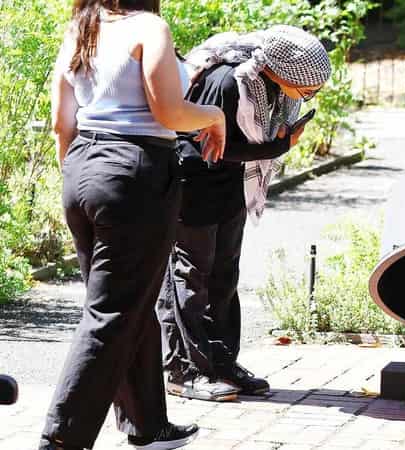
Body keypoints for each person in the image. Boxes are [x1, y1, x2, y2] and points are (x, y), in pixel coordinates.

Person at [44, 0, 226, 448]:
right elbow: (169, 111)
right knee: (110, 313)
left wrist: (82, 175)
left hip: (83, 167)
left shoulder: (80, 29)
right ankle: (61, 439)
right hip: (134, 171)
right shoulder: (149, 27)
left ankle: (147, 424)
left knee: (130, 300)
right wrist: (214, 116)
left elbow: (60, 124)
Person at [155, 26, 331, 402]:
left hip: (230, 188)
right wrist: (281, 144)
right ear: (285, 71)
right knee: (190, 277)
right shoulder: (230, 82)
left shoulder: (269, 87)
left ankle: (221, 361)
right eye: (309, 88)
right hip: (195, 188)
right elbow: (212, 147)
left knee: (224, 275)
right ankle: (185, 370)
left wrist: (277, 141)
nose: (309, 96)